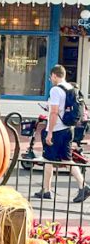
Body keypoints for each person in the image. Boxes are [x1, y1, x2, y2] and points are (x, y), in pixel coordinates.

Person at [33, 64, 90, 203]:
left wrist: (50, 132)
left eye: (50, 77)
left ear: (54, 75)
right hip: (69, 128)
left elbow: (54, 112)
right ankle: (82, 186)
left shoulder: (56, 90)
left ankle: (47, 190)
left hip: (57, 129)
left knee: (48, 159)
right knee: (66, 159)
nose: (50, 80)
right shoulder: (71, 87)